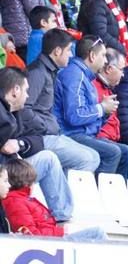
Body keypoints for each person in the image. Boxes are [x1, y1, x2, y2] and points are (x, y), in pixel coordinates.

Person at [0, 66, 73, 222]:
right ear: (15, 90)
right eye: (26, 91)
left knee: (48, 158)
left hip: (12, 168)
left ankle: (61, 218)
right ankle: (61, 221)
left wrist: (19, 143)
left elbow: (39, 139)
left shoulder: (16, 112)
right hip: (4, 174)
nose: (27, 96)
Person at [22, 29, 100, 173]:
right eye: (69, 50)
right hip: (40, 136)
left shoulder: (49, 71)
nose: (71, 55)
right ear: (57, 51)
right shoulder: (37, 72)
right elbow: (23, 109)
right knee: (88, 159)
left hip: (50, 133)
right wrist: (45, 127)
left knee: (94, 156)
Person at [54, 35, 127, 176]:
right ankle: (98, 195)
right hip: (70, 134)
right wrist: (101, 108)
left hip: (83, 133)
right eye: (103, 55)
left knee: (125, 152)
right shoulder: (74, 75)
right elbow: (74, 116)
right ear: (92, 56)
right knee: (112, 153)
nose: (105, 60)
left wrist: (105, 112)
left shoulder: (85, 76)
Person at [2, 158, 106, 241]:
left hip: (52, 240)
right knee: (97, 233)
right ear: (26, 182)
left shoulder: (23, 199)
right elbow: (30, 234)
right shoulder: (15, 202)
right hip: (48, 245)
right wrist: (61, 232)